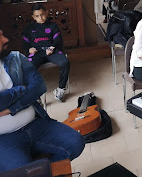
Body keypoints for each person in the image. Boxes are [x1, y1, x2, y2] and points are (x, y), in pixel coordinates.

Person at [0, 30, 85, 172]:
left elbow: (39, 86)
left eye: (2, 33)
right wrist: (21, 89)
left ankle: (44, 173)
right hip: (4, 139)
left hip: (35, 124)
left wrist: (12, 109)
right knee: (21, 173)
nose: (5, 39)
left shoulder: (15, 58)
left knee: (76, 142)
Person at [22, 4, 70, 102]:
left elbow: (57, 41)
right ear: (33, 17)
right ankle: (35, 94)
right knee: (28, 67)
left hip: (52, 51)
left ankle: (60, 89)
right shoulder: (29, 29)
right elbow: (25, 44)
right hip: (36, 53)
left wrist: (52, 48)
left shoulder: (53, 26)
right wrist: (29, 50)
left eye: (42, 14)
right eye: (37, 16)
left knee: (65, 62)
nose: (41, 18)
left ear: (46, 13)